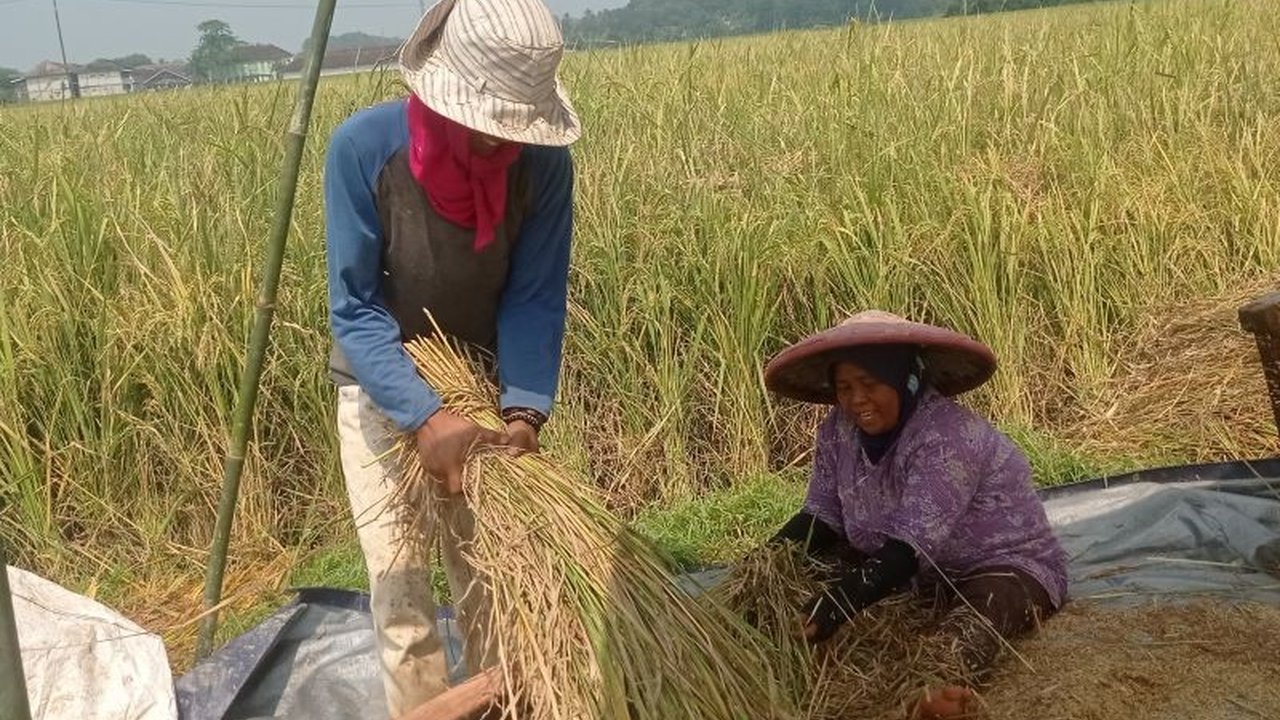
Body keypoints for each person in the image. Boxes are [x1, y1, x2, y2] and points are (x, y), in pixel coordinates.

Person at [323, 0, 581, 715]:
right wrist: (421, 413)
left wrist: (523, 411)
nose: (505, 145)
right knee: (401, 590)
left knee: (492, 581)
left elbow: (534, 295)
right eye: (489, 129)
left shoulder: (543, 167)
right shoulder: (363, 151)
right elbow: (354, 307)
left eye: (514, 130)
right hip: (382, 388)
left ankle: (509, 703)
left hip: (483, 391)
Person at [762, 310, 1069, 719]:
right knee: (799, 582)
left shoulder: (948, 436)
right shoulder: (837, 431)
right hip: (902, 569)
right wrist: (763, 566)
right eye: (845, 387)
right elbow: (822, 515)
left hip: (995, 564)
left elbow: (910, 545)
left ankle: (934, 689)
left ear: (905, 379)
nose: (856, 400)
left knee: (976, 617)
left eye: (870, 384)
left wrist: (837, 606)